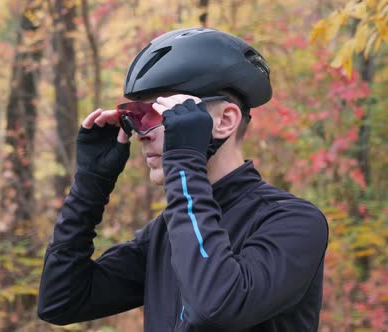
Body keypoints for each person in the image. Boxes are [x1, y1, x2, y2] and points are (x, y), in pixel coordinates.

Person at [37, 28, 328, 331]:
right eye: (135, 117)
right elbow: (60, 300)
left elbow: (216, 306)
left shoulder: (293, 221)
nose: (142, 134)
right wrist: (91, 184)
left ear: (225, 121)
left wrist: (185, 164)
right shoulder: (167, 231)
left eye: (159, 113)